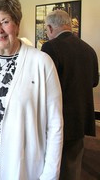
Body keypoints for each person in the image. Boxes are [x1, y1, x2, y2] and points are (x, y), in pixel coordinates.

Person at [0, 0, 63, 180]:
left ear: (17, 24)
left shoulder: (41, 62)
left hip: (22, 163)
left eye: (5, 22)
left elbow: (55, 125)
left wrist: (50, 174)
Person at [41, 10, 99, 180]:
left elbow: (45, 85)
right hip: (81, 118)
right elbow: (94, 81)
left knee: (50, 166)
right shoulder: (89, 49)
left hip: (58, 118)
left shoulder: (50, 47)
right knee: (73, 167)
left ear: (50, 28)